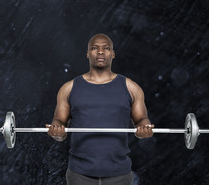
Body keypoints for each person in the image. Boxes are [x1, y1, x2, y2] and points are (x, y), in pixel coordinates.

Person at [46, 33, 154, 185]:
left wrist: (144, 128)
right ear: (88, 53)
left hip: (119, 173)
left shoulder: (131, 88)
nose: (101, 52)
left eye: (106, 48)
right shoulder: (69, 88)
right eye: (95, 48)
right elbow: (59, 126)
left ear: (113, 54)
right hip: (79, 173)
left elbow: (142, 120)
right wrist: (56, 132)